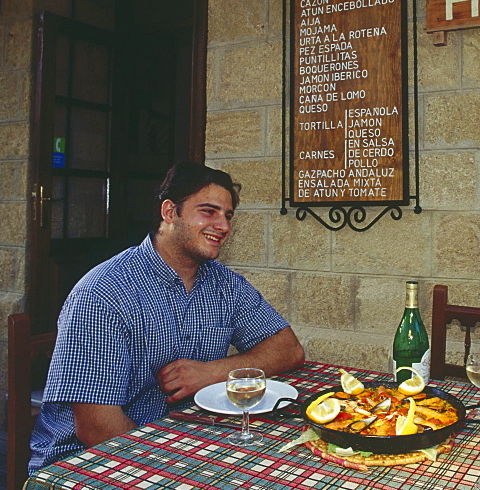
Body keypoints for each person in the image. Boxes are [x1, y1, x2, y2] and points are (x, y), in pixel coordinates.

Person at [29, 162, 304, 472]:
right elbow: (97, 428)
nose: (224, 226)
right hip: (88, 462)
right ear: (170, 212)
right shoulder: (103, 294)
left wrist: (213, 372)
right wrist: (181, 470)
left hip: (182, 437)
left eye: (228, 216)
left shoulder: (225, 284)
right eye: (208, 211)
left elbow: (289, 350)